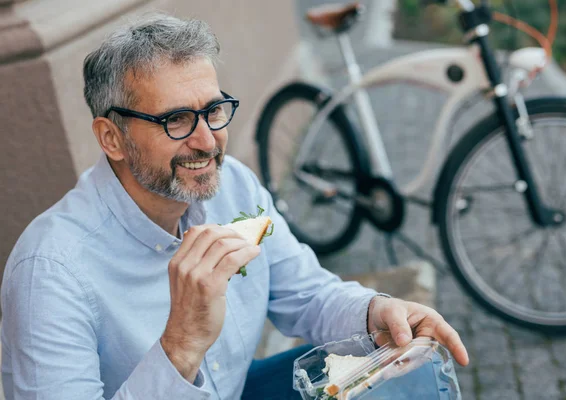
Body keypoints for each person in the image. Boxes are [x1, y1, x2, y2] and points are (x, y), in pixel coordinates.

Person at [1, 14, 469, 400]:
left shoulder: (234, 185)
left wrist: (376, 312)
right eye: (177, 120)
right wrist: (181, 346)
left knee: (404, 373)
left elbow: (306, 295)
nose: (207, 142)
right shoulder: (49, 271)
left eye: (214, 110)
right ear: (112, 138)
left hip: (241, 389)